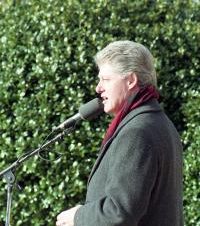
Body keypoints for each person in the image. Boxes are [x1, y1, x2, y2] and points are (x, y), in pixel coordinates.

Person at [56, 40, 183, 226]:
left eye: (106, 79)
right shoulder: (158, 122)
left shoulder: (137, 132)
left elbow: (120, 211)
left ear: (131, 80)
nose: (98, 88)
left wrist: (78, 216)